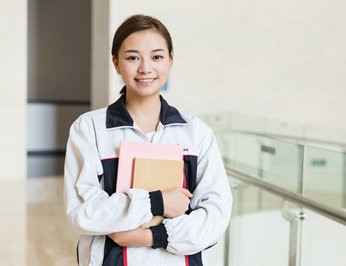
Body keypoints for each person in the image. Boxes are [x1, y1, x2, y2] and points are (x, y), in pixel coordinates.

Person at [64, 14, 232, 266]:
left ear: (170, 61)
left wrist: (153, 236)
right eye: (132, 57)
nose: (145, 68)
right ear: (116, 63)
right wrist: (158, 201)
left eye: (157, 57)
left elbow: (215, 217)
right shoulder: (89, 129)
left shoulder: (197, 132)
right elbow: (82, 214)